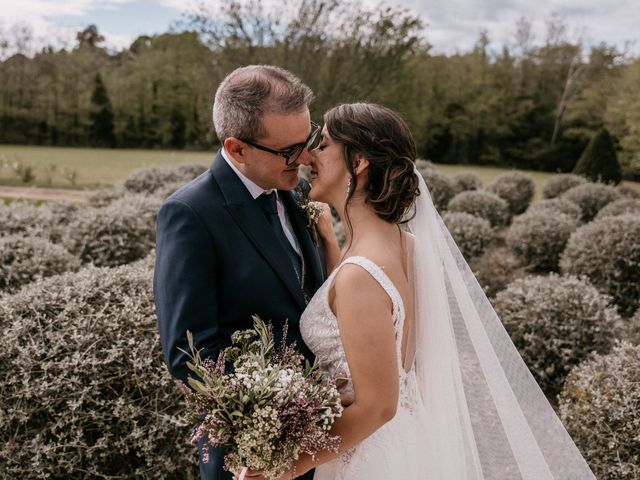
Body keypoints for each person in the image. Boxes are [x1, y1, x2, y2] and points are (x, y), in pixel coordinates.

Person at [241, 103, 596, 479]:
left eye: (324, 144)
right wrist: (329, 241)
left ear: (358, 160)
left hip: (365, 456)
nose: (310, 155)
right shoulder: (405, 247)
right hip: (407, 438)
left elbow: (377, 406)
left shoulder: (360, 274)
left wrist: (285, 467)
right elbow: (353, 314)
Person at [154, 65, 338, 480]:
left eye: (307, 141)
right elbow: (190, 354)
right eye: (291, 150)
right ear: (237, 149)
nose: (306, 159)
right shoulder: (189, 214)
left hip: (323, 442)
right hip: (251, 454)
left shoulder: (299, 191)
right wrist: (290, 408)